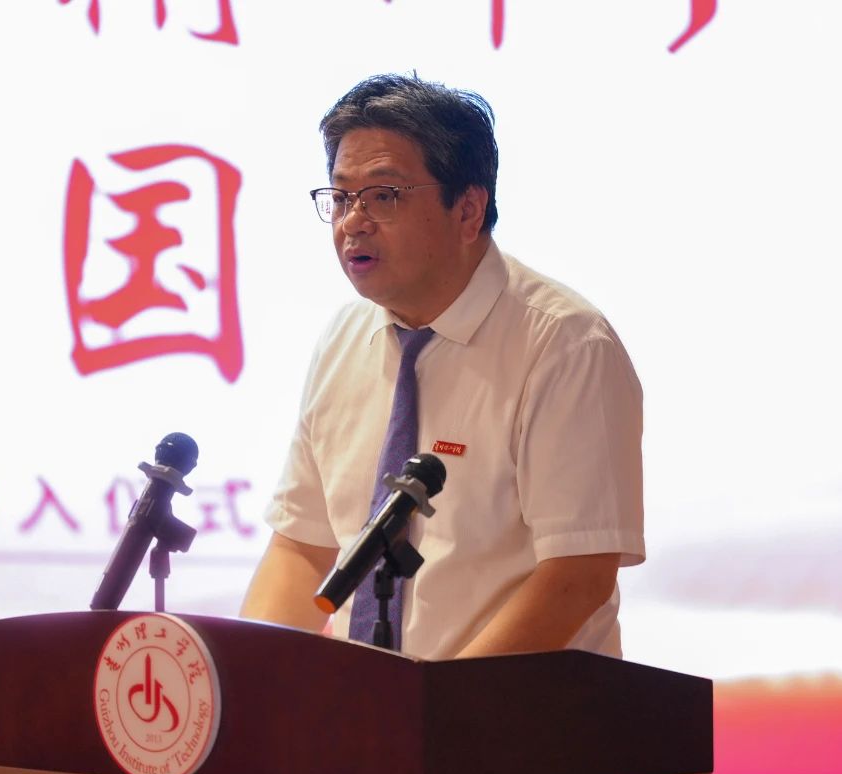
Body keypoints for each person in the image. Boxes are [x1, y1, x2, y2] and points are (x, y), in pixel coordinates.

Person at [239, 74, 644, 660]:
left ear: (468, 209)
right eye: (342, 197)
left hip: (517, 711)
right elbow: (302, 547)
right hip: (370, 713)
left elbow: (576, 577)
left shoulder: (564, 345)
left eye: (384, 196)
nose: (353, 222)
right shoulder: (343, 339)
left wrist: (438, 706)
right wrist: (251, 679)